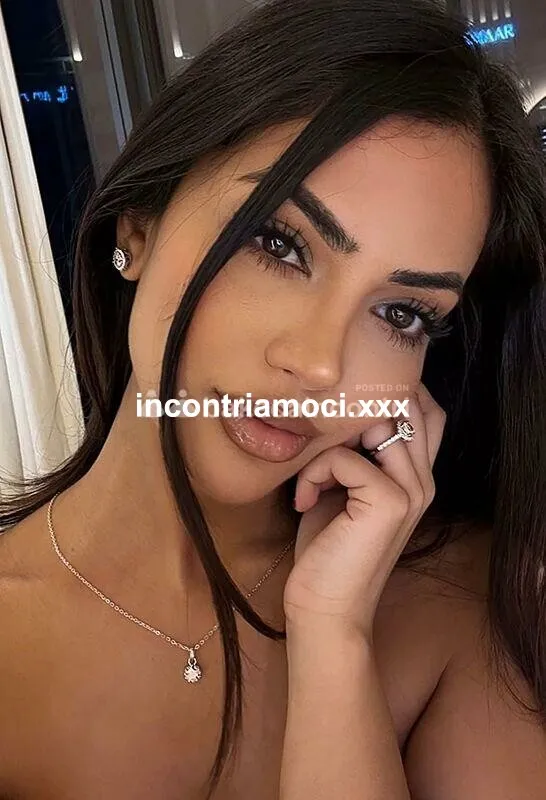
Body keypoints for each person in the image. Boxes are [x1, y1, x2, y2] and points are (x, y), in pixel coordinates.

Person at [1, 0, 545, 797]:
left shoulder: (466, 605)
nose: (319, 365)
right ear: (138, 227)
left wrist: (334, 635)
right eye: (279, 243)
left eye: (401, 314)